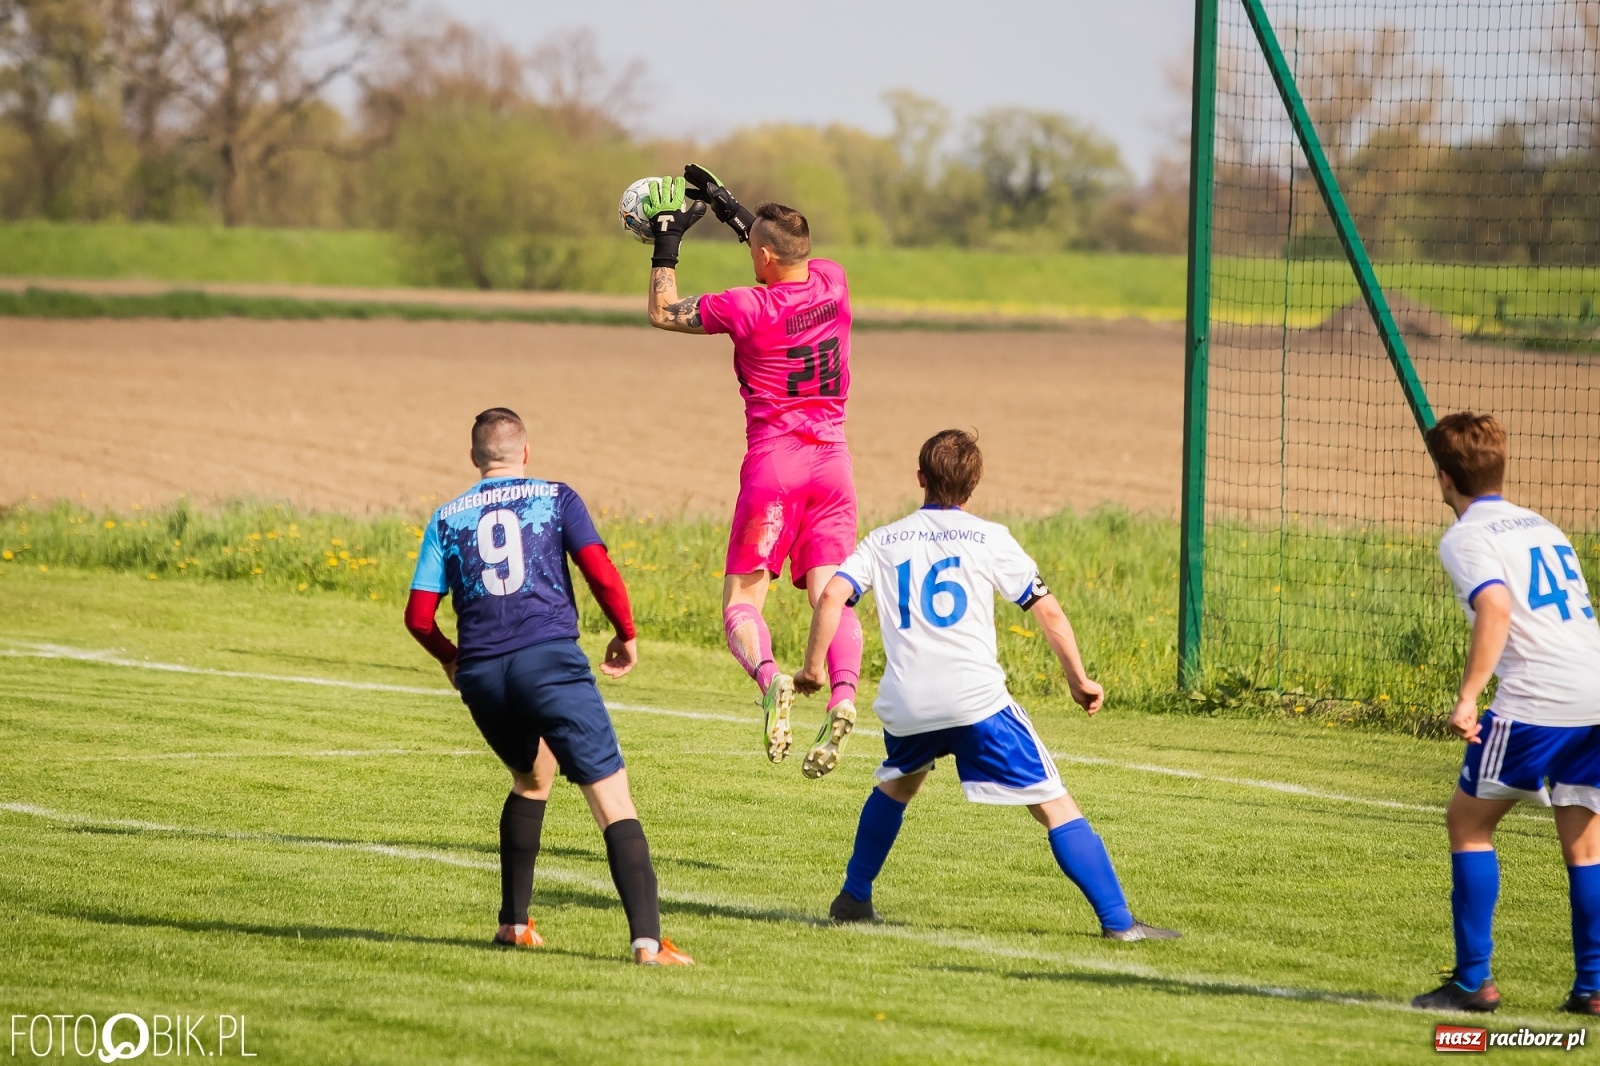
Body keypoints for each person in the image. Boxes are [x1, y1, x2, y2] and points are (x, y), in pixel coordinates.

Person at [792, 429, 1180, 939]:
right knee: (1054, 803)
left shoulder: (883, 540)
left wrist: (814, 668)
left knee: (898, 783)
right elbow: (1050, 613)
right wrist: (1078, 679)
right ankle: (1119, 922)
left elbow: (830, 598)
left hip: (907, 703)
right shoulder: (990, 537)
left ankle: (853, 897)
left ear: (920, 479)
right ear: (972, 488)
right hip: (976, 703)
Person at [403, 407, 693, 966]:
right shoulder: (556, 496)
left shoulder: (445, 518)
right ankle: (649, 943)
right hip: (549, 662)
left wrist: (452, 659)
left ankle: (513, 924)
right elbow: (600, 570)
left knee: (532, 778)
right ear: (526, 453)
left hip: (484, 675)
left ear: (474, 459)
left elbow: (418, 616)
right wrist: (626, 633)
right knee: (611, 798)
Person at [638, 165, 863, 778]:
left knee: (742, 599)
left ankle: (771, 684)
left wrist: (667, 240)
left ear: (761, 256)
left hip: (775, 468)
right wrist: (731, 208)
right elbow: (779, 253)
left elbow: (663, 311)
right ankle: (843, 696)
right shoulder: (834, 282)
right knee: (831, 592)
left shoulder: (745, 306)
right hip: (834, 465)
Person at [1411, 412, 1600, 1015]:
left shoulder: (1466, 536)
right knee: (1587, 847)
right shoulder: (1544, 525)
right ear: (1500, 466)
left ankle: (1473, 983)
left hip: (1536, 701)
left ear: (1444, 478)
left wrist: (1468, 698)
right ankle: (1593, 988)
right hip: (1593, 693)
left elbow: (1494, 610)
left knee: (1468, 823)